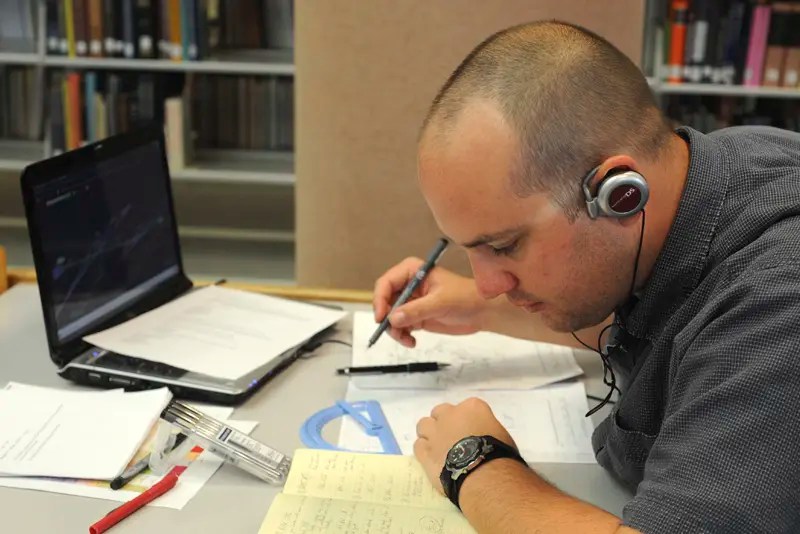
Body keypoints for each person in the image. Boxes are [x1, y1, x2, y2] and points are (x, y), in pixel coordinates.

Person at [372, 20, 800, 534]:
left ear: (618, 194)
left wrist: (477, 466)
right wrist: (476, 307)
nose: (487, 283)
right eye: (466, 249)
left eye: (503, 246)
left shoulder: (779, 303)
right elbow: (684, 323)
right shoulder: (714, 167)